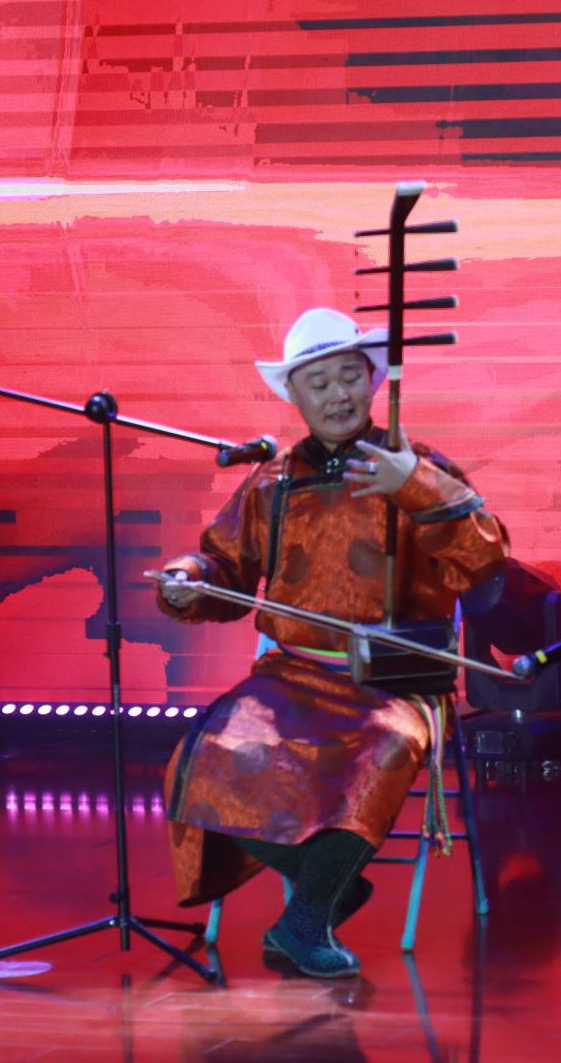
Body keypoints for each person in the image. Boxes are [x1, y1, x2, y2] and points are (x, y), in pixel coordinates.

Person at [155, 307, 509, 978]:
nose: (337, 394)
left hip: (395, 677)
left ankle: (307, 916)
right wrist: (187, 580)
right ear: (294, 395)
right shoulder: (273, 480)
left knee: (386, 746)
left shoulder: (419, 464)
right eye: (318, 383)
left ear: (373, 380)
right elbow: (224, 566)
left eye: (349, 376)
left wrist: (414, 487)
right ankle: (328, 885)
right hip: (290, 674)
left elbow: (486, 559)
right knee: (200, 755)